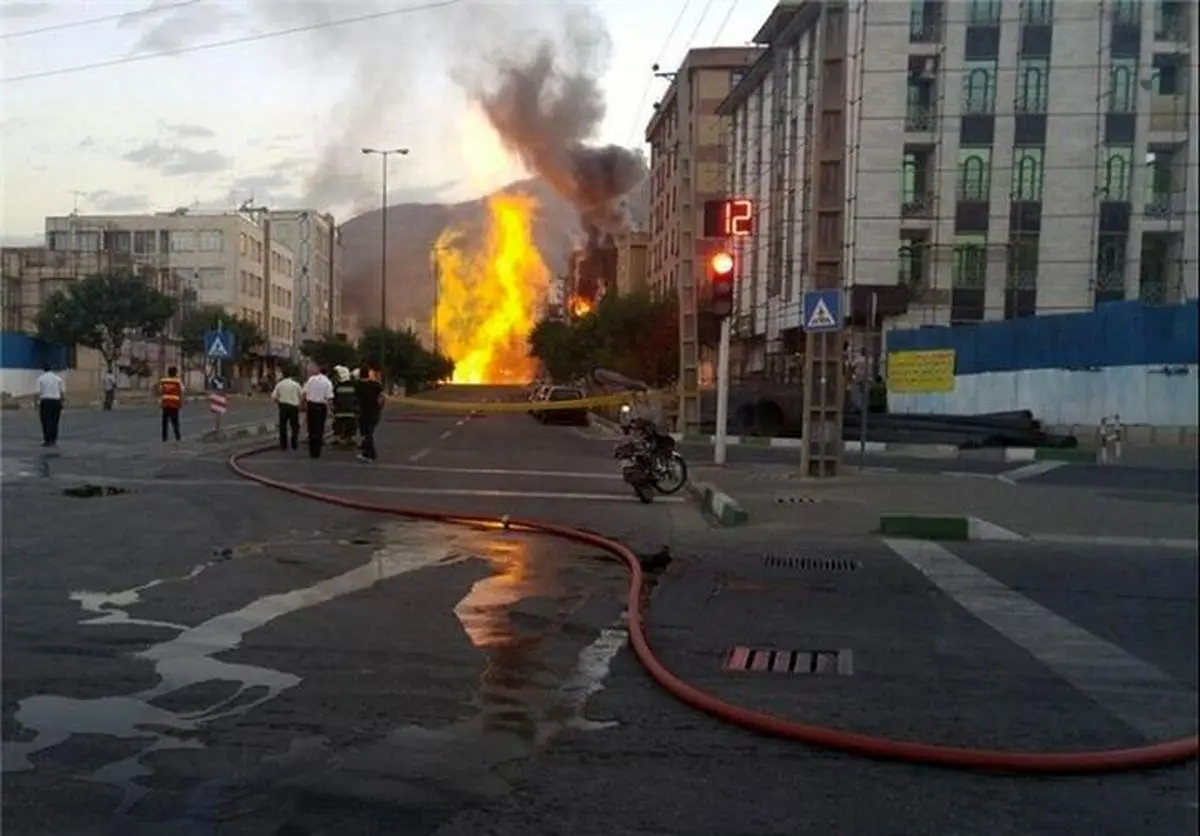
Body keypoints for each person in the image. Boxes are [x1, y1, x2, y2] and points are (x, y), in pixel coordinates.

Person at [301, 365, 334, 458]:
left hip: (311, 405)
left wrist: (302, 405)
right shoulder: (328, 382)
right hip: (321, 406)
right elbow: (329, 398)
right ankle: (317, 451)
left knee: (311, 428)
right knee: (319, 428)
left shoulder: (311, 379)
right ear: (327, 373)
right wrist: (330, 410)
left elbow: (304, 393)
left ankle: (311, 450)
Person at [355, 363, 385, 462]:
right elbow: (382, 397)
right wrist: (379, 407)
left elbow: (355, 399)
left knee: (366, 433)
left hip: (363, 412)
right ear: (368, 374)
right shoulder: (376, 384)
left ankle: (369, 454)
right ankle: (370, 453)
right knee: (369, 432)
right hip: (374, 412)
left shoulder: (357, 385)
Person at [271, 369, 302, 451]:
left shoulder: (280, 384)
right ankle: (294, 442)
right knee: (295, 426)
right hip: (294, 407)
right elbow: (301, 395)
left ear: (283, 375)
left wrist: (279, 403)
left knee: (283, 426)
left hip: (283, 406)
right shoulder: (296, 384)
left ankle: (283, 444)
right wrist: (300, 405)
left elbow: (273, 396)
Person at [35, 363, 65, 447]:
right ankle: (54, 439)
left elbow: (38, 392)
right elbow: (62, 392)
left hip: (45, 401)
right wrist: (62, 402)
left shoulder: (41, 378)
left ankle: (47, 439)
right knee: (55, 421)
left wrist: (36, 403)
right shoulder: (58, 378)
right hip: (56, 401)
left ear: (43, 369)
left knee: (46, 421)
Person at [330, 365, 360, 449]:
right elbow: (357, 398)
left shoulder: (337, 386)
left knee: (338, 424)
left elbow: (334, 398)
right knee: (350, 425)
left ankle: (338, 438)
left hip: (340, 410)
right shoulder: (354, 385)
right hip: (351, 411)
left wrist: (333, 407)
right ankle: (348, 439)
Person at [157, 366, 184, 443]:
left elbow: (159, 391)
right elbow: (182, 391)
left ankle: (164, 438)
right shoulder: (177, 381)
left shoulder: (164, 381)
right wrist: (181, 403)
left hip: (165, 404)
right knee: (175, 422)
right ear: (175, 373)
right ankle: (178, 438)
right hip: (174, 405)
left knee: (164, 423)